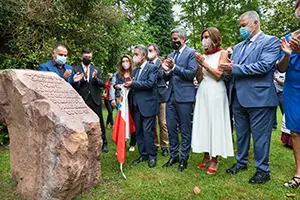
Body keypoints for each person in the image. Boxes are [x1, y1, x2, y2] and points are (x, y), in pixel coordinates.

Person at [219, 11, 280, 184]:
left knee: (261, 137)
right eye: (240, 26)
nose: (241, 29)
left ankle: (262, 170)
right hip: (238, 97)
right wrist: (227, 71)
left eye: (244, 25)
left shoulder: (270, 41)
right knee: (242, 134)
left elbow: (263, 66)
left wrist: (234, 69)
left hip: (260, 97)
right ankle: (241, 162)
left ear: (255, 23)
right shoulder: (237, 47)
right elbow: (233, 70)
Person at [192, 27, 234, 175]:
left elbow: (218, 75)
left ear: (215, 39)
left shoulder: (222, 53)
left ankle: (214, 158)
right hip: (203, 90)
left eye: (207, 37)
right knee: (204, 122)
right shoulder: (204, 56)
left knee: (214, 123)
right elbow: (199, 78)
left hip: (216, 91)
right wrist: (199, 66)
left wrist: (204, 64)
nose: (204, 40)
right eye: (203, 37)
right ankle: (205, 155)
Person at [161, 28, 198, 172]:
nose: (173, 41)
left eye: (175, 39)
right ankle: (173, 155)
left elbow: (190, 74)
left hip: (185, 96)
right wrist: (165, 70)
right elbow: (166, 78)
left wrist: (175, 67)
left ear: (183, 39)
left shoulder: (191, 53)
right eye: (172, 39)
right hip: (170, 96)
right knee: (170, 127)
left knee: (185, 128)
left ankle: (184, 158)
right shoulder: (171, 55)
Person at [124, 45, 158, 168]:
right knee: (138, 131)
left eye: (136, 54)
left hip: (148, 105)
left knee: (148, 131)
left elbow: (150, 83)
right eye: (134, 54)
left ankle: (152, 156)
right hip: (136, 105)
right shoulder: (135, 71)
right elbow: (134, 86)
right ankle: (143, 154)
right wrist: (125, 85)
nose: (134, 57)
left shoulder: (152, 68)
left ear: (143, 55)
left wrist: (133, 83)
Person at [279, 0, 300, 188]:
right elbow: (282, 68)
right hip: (292, 89)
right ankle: (299, 173)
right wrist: (287, 54)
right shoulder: (290, 37)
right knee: (295, 131)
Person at [72, 49, 108, 153]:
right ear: (82, 56)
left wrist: (96, 79)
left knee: (100, 121)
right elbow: (73, 85)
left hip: (94, 99)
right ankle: (84, 143)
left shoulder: (96, 69)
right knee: (81, 122)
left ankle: (104, 143)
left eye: (89, 57)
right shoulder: (75, 69)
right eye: (86, 56)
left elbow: (102, 83)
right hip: (82, 99)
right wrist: (78, 80)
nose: (88, 58)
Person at [148, 43, 169, 157]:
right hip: (150, 97)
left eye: (151, 50)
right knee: (153, 124)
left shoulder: (161, 63)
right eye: (148, 50)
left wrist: (159, 68)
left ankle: (164, 146)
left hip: (161, 96)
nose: (149, 53)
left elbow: (162, 75)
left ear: (156, 52)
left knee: (163, 123)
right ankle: (155, 145)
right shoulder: (147, 64)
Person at [114, 54, 136, 152]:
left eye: (127, 61)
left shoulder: (134, 72)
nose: (125, 63)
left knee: (133, 120)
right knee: (122, 119)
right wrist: (117, 86)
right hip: (122, 100)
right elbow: (114, 85)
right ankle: (122, 142)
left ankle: (133, 143)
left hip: (133, 99)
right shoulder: (118, 74)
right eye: (123, 61)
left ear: (130, 62)